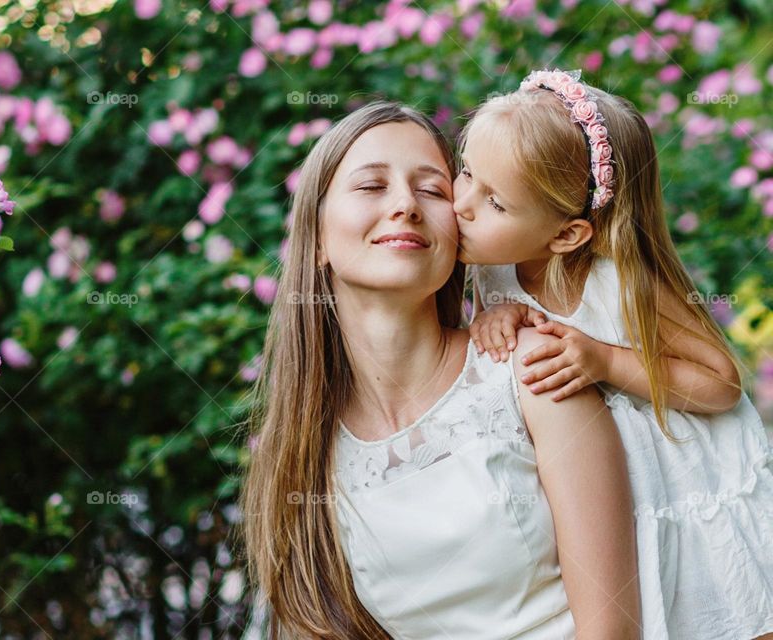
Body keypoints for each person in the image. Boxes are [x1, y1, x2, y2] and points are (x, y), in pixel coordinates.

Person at [240, 100, 639, 639]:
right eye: (370, 186)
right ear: (316, 239)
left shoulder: (533, 372)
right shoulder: (305, 451)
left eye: (432, 189)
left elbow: (611, 629)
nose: (405, 205)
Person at [459, 68, 773, 640]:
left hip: (679, 479)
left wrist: (605, 361)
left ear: (567, 235)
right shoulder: (492, 264)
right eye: (465, 175)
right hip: (601, 491)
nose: (462, 205)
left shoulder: (621, 282)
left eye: (494, 201)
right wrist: (492, 315)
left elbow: (721, 383)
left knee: (717, 610)